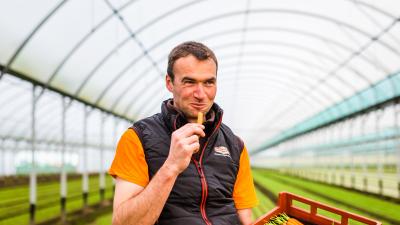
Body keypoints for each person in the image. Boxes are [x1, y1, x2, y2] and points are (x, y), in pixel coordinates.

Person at [109, 41, 258, 225]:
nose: (200, 93)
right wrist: (171, 166)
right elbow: (123, 223)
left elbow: (246, 220)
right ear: (169, 83)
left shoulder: (235, 145)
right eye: (189, 82)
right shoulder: (138, 138)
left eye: (209, 82)